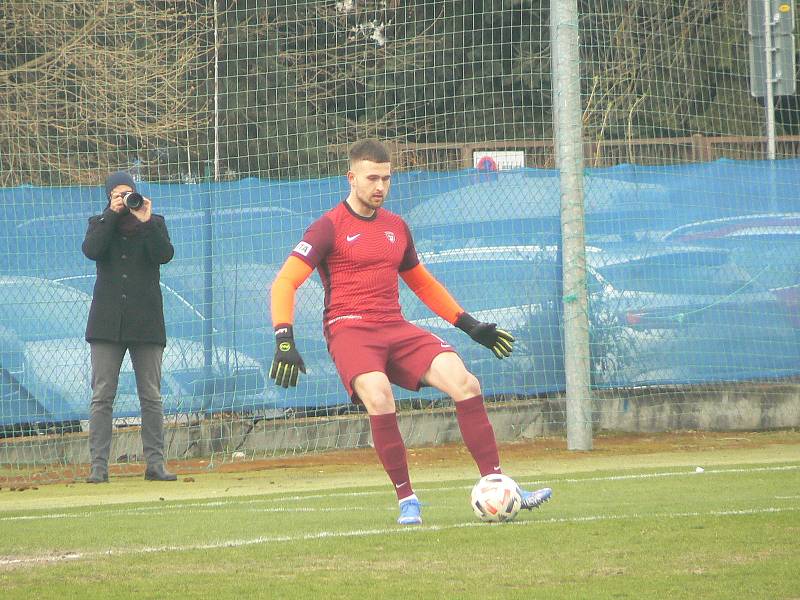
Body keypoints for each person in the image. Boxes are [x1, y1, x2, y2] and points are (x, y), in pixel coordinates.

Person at [269, 139, 552, 524]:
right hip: (350, 330)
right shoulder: (327, 227)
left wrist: (468, 324)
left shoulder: (396, 227)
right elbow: (284, 282)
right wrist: (284, 338)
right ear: (351, 178)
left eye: (386, 179)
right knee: (380, 396)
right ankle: (407, 500)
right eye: (372, 178)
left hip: (395, 327)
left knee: (465, 383)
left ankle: (498, 484)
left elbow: (421, 282)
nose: (380, 187)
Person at [81, 171, 177, 483]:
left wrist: (146, 219)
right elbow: (91, 250)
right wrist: (111, 214)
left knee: (150, 395)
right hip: (107, 324)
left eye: (129, 194)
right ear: (108, 197)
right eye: (118, 195)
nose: (125, 200)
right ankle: (98, 467)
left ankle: (155, 464)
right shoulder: (100, 223)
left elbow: (164, 255)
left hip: (146, 322)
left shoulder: (154, 223)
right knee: (102, 394)